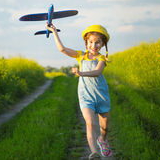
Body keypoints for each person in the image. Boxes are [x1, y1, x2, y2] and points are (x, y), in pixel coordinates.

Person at [46, 23, 112, 160]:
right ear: (86, 43)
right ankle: (94, 153)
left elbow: (97, 72)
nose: (94, 45)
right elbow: (62, 49)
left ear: (103, 44)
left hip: (101, 95)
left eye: (98, 42)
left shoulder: (101, 59)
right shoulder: (80, 55)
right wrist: (54, 31)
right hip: (86, 96)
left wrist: (81, 73)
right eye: (91, 42)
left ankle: (102, 139)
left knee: (104, 127)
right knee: (90, 123)